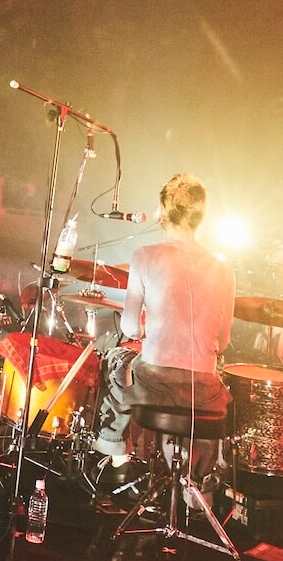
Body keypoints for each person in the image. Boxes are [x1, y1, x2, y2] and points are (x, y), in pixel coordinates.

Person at [92, 174, 235, 468]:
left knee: (115, 358)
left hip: (155, 384)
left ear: (163, 213)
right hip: (204, 392)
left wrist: (146, 332)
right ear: (202, 217)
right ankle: (198, 481)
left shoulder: (145, 256)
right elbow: (223, 343)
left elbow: (129, 328)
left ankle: (114, 444)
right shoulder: (225, 271)